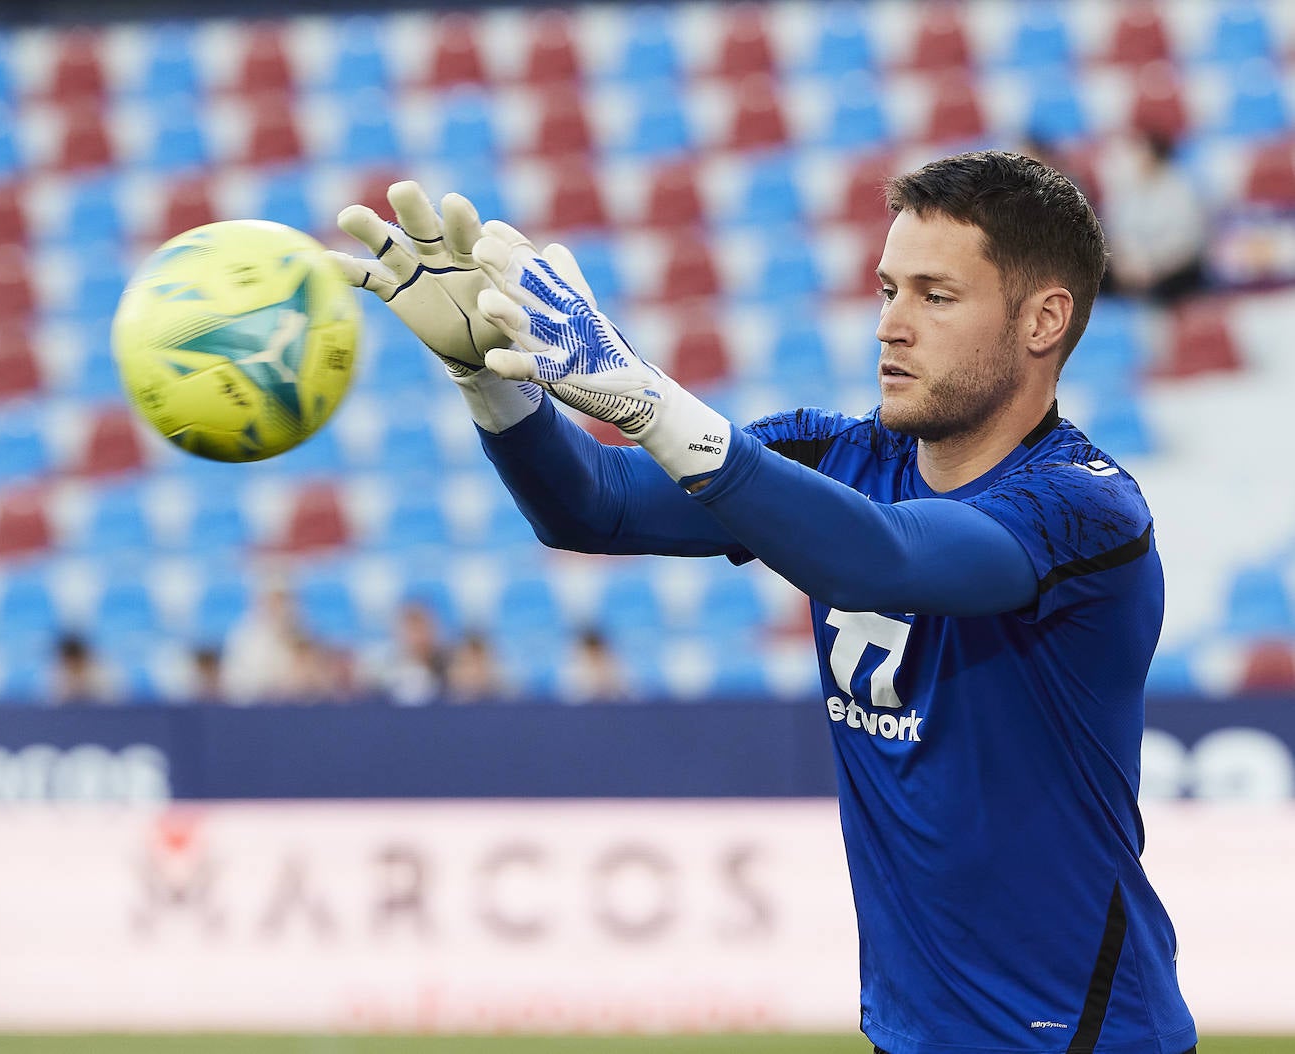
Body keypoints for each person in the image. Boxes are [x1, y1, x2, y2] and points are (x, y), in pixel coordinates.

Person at [329, 153, 1197, 1052]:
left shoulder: (1084, 508)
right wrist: (490, 382)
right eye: (887, 290)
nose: (891, 325)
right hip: (907, 1030)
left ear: (1043, 320)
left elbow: (883, 558)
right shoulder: (835, 457)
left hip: (1080, 1037)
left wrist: (649, 398)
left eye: (935, 296)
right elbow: (592, 504)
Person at [1100, 131, 1208, 305]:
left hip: (1169, 269)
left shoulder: (1180, 189)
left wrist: (1153, 268)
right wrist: (1126, 263)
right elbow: (1117, 230)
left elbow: (1186, 243)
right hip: (1131, 266)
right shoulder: (1127, 186)